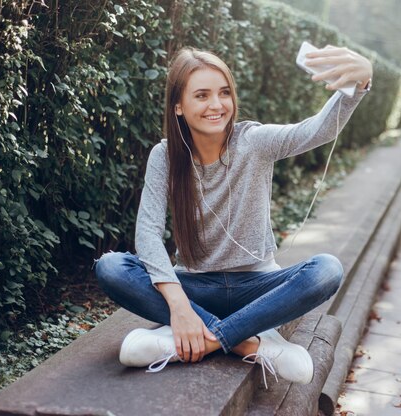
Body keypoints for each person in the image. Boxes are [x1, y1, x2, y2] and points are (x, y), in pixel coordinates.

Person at [94, 44, 372, 387]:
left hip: (255, 287)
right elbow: (148, 235)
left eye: (224, 92)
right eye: (202, 95)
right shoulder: (164, 156)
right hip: (194, 287)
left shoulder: (253, 141)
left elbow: (316, 130)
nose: (216, 104)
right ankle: (250, 342)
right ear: (178, 106)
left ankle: (202, 340)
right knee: (110, 267)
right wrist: (180, 306)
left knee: (327, 270)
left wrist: (360, 83)